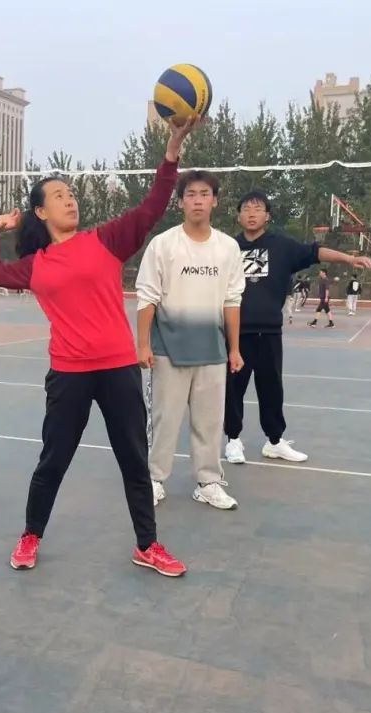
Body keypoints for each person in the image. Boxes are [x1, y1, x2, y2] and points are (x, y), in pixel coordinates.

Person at [0, 116, 199, 578]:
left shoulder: (105, 240)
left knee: (133, 461)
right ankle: (31, 534)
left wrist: (171, 153)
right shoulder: (35, 265)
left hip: (119, 370)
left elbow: (152, 207)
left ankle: (147, 545)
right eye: (59, 195)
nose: (70, 199)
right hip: (69, 375)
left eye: (71, 193)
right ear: (40, 212)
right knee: (53, 461)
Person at [225, 190, 371, 465]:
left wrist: (349, 259)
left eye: (257, 209)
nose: (251, 213)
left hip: (269, 332)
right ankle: (233, 440)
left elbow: (315, 252)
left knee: (271, 389)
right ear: (238, 216)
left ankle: (274, 442)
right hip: (236, 334)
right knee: (233, 388)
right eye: (246, 209)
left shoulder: (282, 246)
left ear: (267, 216)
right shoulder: (227, 248)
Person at [136, 169, 244, 512]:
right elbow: (147, 297)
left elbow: (232, 300)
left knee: (209, 423)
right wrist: (143, 345)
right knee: (164, 421)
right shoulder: (163, 244)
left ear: (215, 201)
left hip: (212, 351)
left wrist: (234, 348)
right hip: (168, 350)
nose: (198, 201)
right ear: (180, 202)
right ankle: (154, 479)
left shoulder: (228, 248)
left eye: (204, 194)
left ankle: (208, 482)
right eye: (191, 194)